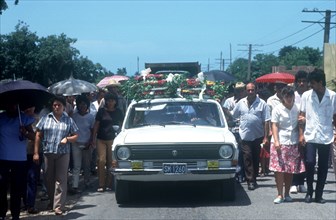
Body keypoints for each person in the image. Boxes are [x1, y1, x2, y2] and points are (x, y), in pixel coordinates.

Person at [33, 96, 79, 215]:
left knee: (61, 179)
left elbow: (75, 136)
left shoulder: (68, 120)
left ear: (64, 106)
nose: (56, 107)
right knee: (48, 179)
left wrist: (67, 139)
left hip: (63, 153)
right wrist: (36, 153)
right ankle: (52, 201)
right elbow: (38, 135)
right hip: (48, 152)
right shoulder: (45, 118)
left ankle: (58, 206)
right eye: (54, 105)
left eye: (59, 105)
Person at [299, 69, 336, 204]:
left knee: (323, 166)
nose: (311, 86)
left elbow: (335, 116)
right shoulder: (306, 96)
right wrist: (301, 134)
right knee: (309, 162)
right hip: (310, 135)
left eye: (313, 83)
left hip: (326, 135)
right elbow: (301, 115)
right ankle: (309, 192)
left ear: (321, 82)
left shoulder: (332, 96)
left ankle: (319, 194)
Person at [269, 86, 306, 204]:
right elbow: (274, 125)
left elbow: (301, 122)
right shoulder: (277, 109)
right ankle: (279, 194)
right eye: (286, 96)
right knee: (279, 170)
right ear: (283, 97)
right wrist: (276, 141)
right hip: (280, 141)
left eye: (291, 96)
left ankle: (287, 194)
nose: (289, 98)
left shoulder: (297, 108)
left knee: (290, 170)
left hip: (293, 141)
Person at [232, 82, 270, 190]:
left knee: (255, 158)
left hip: (258, 136)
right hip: (244, 135)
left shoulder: (262, 104)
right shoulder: (240, 103)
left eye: (252, 90)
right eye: (248, 90)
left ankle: (254, 177)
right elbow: (233, 115)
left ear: (256, 90)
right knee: (247, 157)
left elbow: (266, 121)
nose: (250, 92)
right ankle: (250, 181)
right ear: (245, 91)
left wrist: (266, 137)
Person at [0, 103, 35, 220]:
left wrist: (25, 132)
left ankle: (15, 215)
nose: (12, 107)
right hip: (2, 158)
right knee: (1, 187)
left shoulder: (24, 118)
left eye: (15, 105)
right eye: (10, 105)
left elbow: (34, 136)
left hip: (19, 159)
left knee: (16, 188)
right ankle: (2, 213)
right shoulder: (1, 117)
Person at [93, 92, 124, 192]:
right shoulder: (101, 111)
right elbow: (96, 125)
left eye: (112, 100)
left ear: (115, 101)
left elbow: (122, 125)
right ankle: (101, 184)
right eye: (109, 100)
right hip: (101, 139)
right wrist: (93, 138)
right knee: (101, 161)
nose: (111, 102)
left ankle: (110, 183)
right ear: (105, 101)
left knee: (111, 162)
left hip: (113, 139)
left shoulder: (118, 112)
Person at [70, 95, 95, 194]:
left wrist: (90, 142)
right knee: (76, 166)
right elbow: (71, 131)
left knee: (87, 165)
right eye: (80, 104)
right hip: (76, 144)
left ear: (87, 105)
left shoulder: (91, 117)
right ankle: (75, 185)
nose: (82, 106)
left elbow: (93, 131)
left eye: (84, 104)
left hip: (87, 144)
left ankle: (87, 182)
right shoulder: (74, 117)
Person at [290, 70, 309, 194]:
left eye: (304, 81)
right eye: (300, 81)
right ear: (296, 82)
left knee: (306, 158)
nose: (302, 83)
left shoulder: (310, 95)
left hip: (308, 131)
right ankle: (293, 183)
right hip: (294, 130)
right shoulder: (292, 95)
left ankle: (301, 182)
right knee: (294, 158)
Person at [223, 82, 246, 183]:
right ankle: (235, 173)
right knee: (234, 152)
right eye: (238, 90)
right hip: (233, 129)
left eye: (242, 90)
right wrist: (230, 115)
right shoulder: (229, 101)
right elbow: (226, 115)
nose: (240, 92)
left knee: (243, 153)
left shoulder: (246, 101)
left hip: (244, 129)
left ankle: (242, 173)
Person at [264, 81, 287, 176]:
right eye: (278, 87)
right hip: (274, 127)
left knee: (286, 149)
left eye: (282, 87)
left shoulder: (288, 98)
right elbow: (268, 117)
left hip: (286, 127)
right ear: (275, 88)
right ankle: (277, 169)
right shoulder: (270, 100)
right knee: (276, 148)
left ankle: (285, 167)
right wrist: (269, 130)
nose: (280, 89)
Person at [22, 106, 41, 214]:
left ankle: (30, 204)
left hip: (34, 153)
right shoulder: (19, 118)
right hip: (19, 154)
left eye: (31, 107)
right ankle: (25, 203)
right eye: (26, 107)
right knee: (21, 180)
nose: (28, 109)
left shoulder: (38, 119)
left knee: (32, 179)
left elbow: (37, 137)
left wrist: (26, 133)